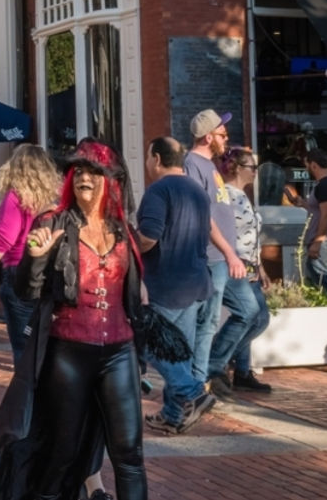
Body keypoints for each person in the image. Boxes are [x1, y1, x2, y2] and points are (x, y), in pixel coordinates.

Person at [0, 138, 147, 500]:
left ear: (110, 179)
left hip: (119, 352)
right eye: (79, 170)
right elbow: (26, 290)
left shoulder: (122, 231)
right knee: (61, 452)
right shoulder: (53, 223)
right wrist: (35, 257)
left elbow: (134, 290)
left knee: (129, 453)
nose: (85, 177)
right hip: (68, 352)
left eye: (94, 170)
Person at [138, 137, 216, 434]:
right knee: (177, 351)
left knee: (149, 344)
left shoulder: (158, 191)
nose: (147, 164)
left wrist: (125, 249)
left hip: (165, 284)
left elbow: (149, 236)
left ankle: (192, 390)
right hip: (196, 283)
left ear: (156, 158)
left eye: (148, 158)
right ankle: (173, 414)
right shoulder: (198, 191)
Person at [0, 145, 62, 365]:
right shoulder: (55, 199)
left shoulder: (16, 197)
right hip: (49, 272)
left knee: (24, 345)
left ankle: (28, 393)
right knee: (45, 340)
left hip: (20, 271)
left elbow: (3, 238)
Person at [184, 110, 246, 386]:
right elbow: (203, 215)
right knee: (201, 323)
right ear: (208, 137)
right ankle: (194, 383)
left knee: (210, 323)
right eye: (222, 134)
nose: (227, 138)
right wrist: (230, 253)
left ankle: (199, 380)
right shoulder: (193, 164)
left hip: (219, 259)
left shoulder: (210, 165)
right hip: (208, 258)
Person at [206, 147, 272, 398]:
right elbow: (221, 231)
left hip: (251, 266)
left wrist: (261, 267)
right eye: (251, 167)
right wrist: (231, 258)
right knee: (249, 314)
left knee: (261, 318)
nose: (255, 172)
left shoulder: (243, 196)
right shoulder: (226, 196)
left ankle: (241, 370)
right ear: (236, 168)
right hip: (234, 264)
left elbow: (251, 236)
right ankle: (214, 363)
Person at [299, 148, 327, 301]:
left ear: (313, 165)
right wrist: (303, 204)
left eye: (307, 164)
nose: (306, 168)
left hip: (325, 243)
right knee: (321, 283)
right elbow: (320, 211)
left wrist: (317, 243)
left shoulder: (325, 185)